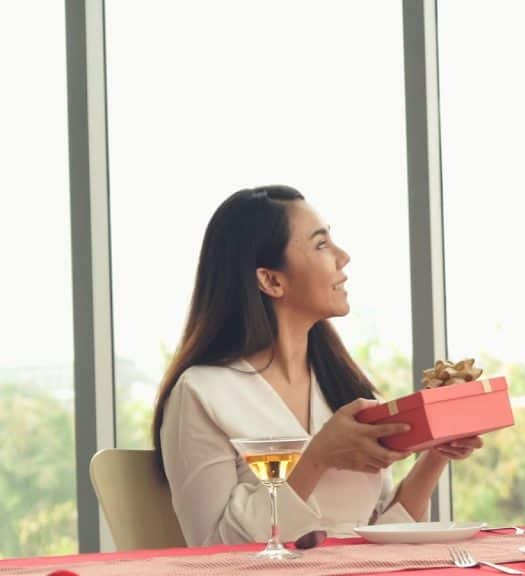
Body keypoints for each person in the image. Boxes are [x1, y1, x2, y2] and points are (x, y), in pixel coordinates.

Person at [153, 185, 482, 546]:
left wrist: (435, 455)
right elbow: (213, 549)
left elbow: (382, 532)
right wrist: (317, 457)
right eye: (321, 244)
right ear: (271, 280)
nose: (343, 257)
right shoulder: (201, 392)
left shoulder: (345, 386)